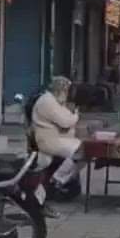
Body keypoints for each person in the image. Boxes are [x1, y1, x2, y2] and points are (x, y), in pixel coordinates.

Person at [31, 77, 83, 217]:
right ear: (60, 89)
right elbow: (66, 121)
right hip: (48, 141)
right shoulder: (47, 101)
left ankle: (58, 179)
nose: (67, 93)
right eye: (66, 90)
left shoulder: (56, 101)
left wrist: (72, 115)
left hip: (58, 139)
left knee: (84, 152)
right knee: (81, 151)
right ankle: (57, 179)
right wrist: (76, 115)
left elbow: (67, 116)